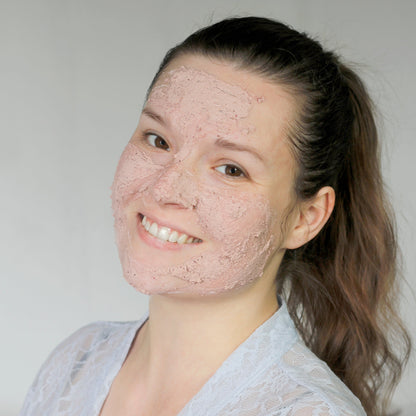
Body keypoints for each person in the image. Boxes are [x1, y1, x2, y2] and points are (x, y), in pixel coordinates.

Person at [20, 16, 411, 416]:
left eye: (230, 169)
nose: (164, 188)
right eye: (159, 140)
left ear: (306, 218)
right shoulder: (76, 363)